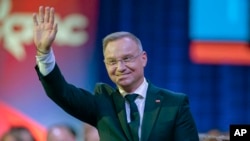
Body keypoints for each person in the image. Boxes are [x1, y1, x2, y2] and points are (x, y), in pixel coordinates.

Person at [33, 6, 199, 141]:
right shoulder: (102, 104)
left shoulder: (174, 104)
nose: (120, 67)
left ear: (143, 58)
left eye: (127, 59)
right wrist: (44, 52)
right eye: (112, 62)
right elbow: (61, 92)